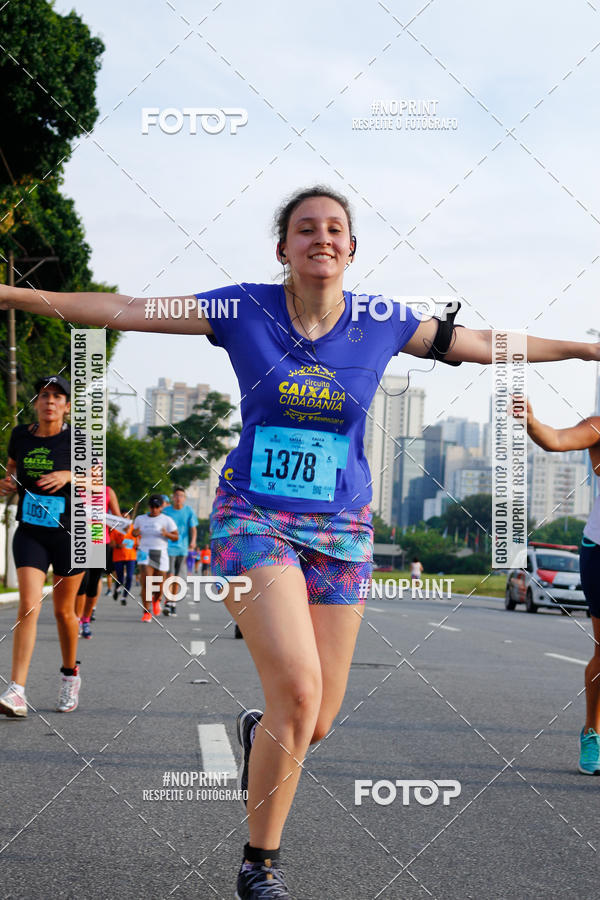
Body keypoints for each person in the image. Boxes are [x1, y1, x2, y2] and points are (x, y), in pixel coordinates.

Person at [1, 187, 598, 897]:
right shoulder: (242, 308)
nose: (321, 237)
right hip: (252, 519)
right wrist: (11, 294)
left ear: (351, 248)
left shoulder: (383, 319)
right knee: (297, 690)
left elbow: (494, 346)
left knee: (313, 720)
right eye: (304, 228)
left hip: (342, 530)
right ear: (282, 248)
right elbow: (123, 308)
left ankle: (266, 733)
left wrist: (588, 348)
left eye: (335, 229)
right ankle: (261, 865)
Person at [0, 375, 84, 717]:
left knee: (64, 613)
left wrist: (68, 476)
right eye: (44, 396)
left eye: (57, 397)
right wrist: (7, 484)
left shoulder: (79, 440)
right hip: (31, 530)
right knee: (28, 606)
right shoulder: (20, 435)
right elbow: (13, 473)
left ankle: (69, 675)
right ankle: (17, 690)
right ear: (36, 403)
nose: (49, 401)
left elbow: (97, 478)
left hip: (70, 533)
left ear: (66, 406)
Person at [525, 399, 600, 775]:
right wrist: (532, 422)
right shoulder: (599, 426)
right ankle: (592, 733)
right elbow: (555, 440)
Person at [76, 484, 121, 638]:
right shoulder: (76, 487)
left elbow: (117, 517)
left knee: (92, 584)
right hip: (79, 537)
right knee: (81, 581)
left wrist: (119, 522)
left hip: (98, 537)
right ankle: (76, 620)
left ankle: (85, 620)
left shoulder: (108, 491)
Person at [132, 494, 178, 621]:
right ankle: (146, 612)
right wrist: (135, 532)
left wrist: (166, 533)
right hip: (144, 551)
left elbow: (176, 536)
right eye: (152, 506)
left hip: (160, 552)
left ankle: (156, 599)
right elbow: (134, 532)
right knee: (147, 581)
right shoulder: (140, 519)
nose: (154, 509)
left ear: (161, 507)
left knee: (159, 584)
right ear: (149, 506)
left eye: (157, 507)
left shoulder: (166, 520)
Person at [162, 486, 198, 616]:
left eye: (181, 496)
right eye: (176, 495)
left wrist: (193, 541)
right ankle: (167, 600)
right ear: (173, 497)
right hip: (168, 547)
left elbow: (193, 529)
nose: (178, 498)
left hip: (182, 548)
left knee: (176, 577)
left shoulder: (189, 511)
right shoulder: (166, 511)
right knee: (169, 575)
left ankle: (173, 602)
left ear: (184, 498)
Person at [110, 514, 138, 605]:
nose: (125, 519)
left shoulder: (134, 528)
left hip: (131, 556)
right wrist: (119, 545)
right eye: (123, 517)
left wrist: (138, 545)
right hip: (118, 557)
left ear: (130, 519)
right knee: (120, 578)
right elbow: (111, 544)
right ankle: (117, 589)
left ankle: (124, 597)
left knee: (129, 577)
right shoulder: (116, 528)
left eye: (127, 517)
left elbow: (139, 541)